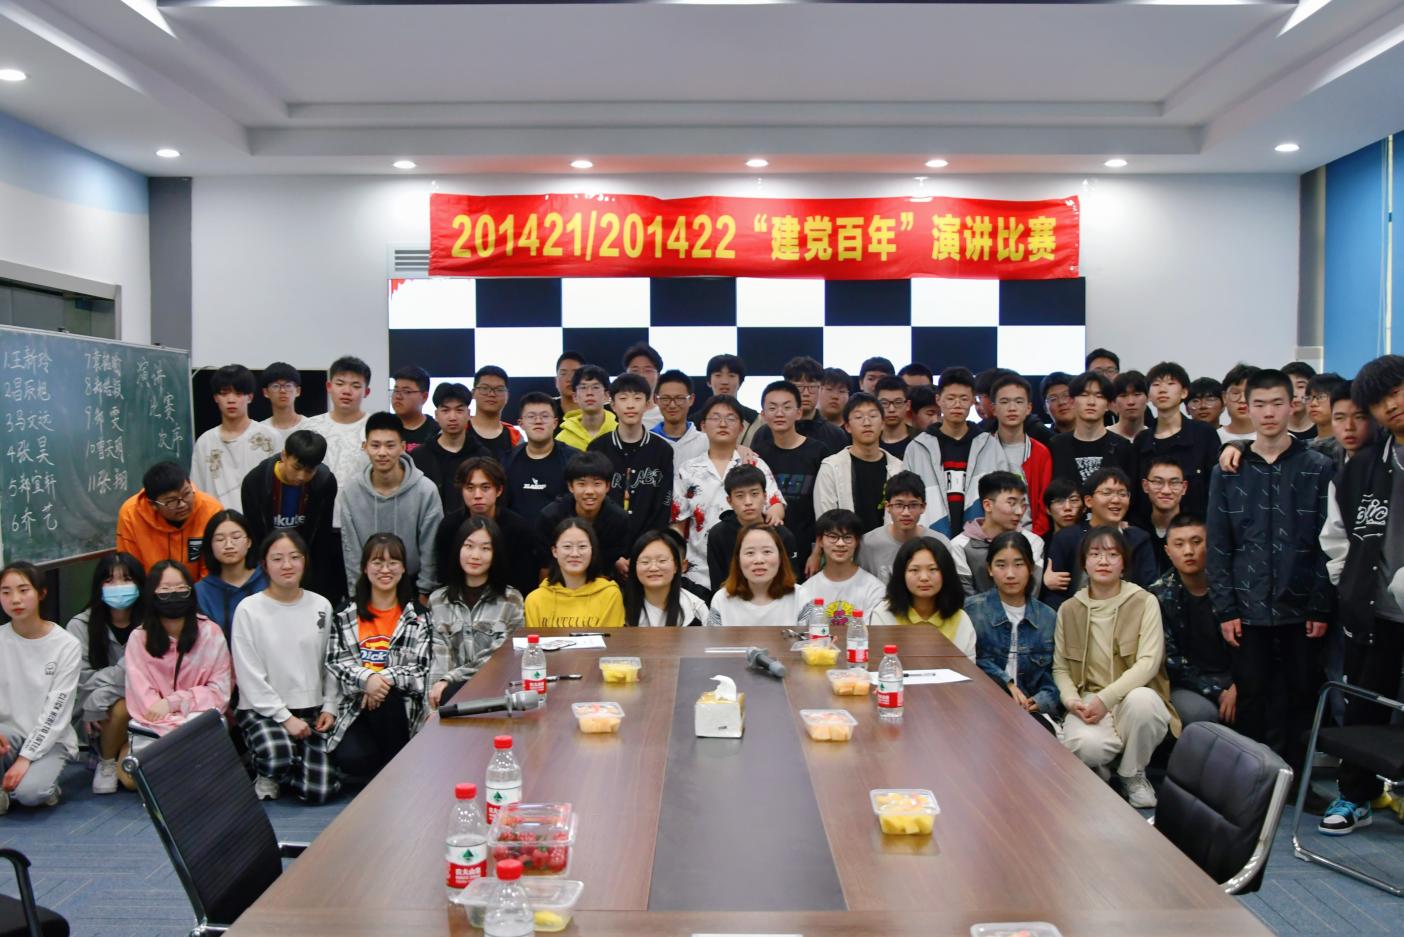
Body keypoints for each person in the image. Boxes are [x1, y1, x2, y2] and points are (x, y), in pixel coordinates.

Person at [1207, 368, 1333, 768]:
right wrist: (1225, 608)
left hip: (1302, 604)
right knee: (1252, 697)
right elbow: (1219, 543)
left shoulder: (1318, 465)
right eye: (1259, 404)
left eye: (1277, 403)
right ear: (1246, 407)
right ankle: (1252, 783)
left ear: (1293, 405)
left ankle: (1297, 782)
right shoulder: (1229, 469)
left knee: (1301, 695)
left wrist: (1320, 604)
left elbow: (1329, 540)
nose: (1268, 412)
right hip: (1248, 606)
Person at [1317, 355, 1404, 833]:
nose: (1392, 405)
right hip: (1375, 612)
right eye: (1379, 401)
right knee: (1364, 705)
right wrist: (1347, 586)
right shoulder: (1361, 468)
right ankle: (1355, 795)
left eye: (1397, 391)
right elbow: (1336, 536)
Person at [1053, 526, 1179, 808]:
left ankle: (1132, 774)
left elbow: (1149, 662)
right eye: (1095, 554)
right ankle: (1102, 769)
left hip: (1132, 695)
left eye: (1112, 554)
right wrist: (1071, 700)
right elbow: (1060, 668)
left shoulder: (1144, 601)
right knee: (1086, 746)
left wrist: (1106, 699)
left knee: (1144, 703)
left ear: (1124, 563)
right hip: (1088, 697)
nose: (1103, 561)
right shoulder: (1069, 609)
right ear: (1084, 562)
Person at [231, 530, 339, 803]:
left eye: (294, 557)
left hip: (311, 709)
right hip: (262, 709)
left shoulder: (322, 605)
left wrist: (329, 706)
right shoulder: (248, 609)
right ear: (264, 565)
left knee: (320, 792)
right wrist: (285, 718)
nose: (287, 565)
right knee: (277, 754)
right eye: (277, 559)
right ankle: (268, 768)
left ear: (305, 561)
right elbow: (249, 677)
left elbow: (331, 662)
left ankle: (291, 765)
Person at [324, 533, 432, 780]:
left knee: (387, 700)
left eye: (393, 562)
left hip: (402, 708)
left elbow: (421, 669)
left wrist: (380, 680)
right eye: (377, 562)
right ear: (365, 567)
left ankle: (395, 776)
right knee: (354, 759)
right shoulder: (345, 613)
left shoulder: (418, 615)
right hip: (355, 706)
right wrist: (367, 681)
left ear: (403, 568)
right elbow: (335, 662)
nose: (385, 569)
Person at [673, 395, 785, 590]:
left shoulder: (754, 463)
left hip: (751, 569)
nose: (723, 424)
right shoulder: (688, 470)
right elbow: (678, 523)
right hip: (698, 572)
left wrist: (775, 516)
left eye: (731, 418)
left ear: (741, 427)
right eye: (715, 418)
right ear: (703, 426)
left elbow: (775, 504)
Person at [0, 562, 81, 813]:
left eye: (23, 590)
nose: (15, 599)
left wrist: (26, 758)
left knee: (30, 794)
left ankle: (35, 784)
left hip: (51, 739)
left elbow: (56, 711)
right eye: (6, 592)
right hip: (8, 734)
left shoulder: (66, 644)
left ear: (41, 593)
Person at [338, 411, 442, 601]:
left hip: (413, 585)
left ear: (403, 447)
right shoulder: (351, 491)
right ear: (365, 447)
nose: (382, 453)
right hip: (367, 586)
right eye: (375, 445)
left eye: (390, 445)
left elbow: (431, 547)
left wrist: (425, 590)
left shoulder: (425, 490)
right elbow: (350, 548)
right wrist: (356, 593)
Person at [124, 561, 233, 735]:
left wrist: (172, 703)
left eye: (181, 588)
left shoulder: (211, 633)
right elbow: (144, 702)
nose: (174, 594)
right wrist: (175, 729)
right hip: (155, 732)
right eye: (164, 589)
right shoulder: (138, 639)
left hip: (203, 728)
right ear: (151, 594)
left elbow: (220, 693)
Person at [427, 516, 525, 708]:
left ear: (495, 554)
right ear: (458, 549)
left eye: (485, 548)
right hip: (448, 697)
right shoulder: (438, 600)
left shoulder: (511, 600)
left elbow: (500, 655)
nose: (475, 555)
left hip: (496, 694)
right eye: (469, 546)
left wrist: (450, 678)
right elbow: (439, 659)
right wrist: (433, 707)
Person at [66, 552, 144, 794]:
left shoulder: (152, 624)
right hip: (97, 717)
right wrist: (123, 677)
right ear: (98, 586)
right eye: (109, 580)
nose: (118, 587)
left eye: (126, 579)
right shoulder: (79, 625)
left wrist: (101, 692)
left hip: (147, 711)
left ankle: (122, 752)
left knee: (131, 782)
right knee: (122, 705)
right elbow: (81, 682)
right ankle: (106, 761)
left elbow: (153, 677)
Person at [1149, 515, 1236, 729]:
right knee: (1201, 714)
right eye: (1179, 544)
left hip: (1235, 677)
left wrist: (1239, 685)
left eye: (1196, 542)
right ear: (1168, 551)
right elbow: (1171, 661)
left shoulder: (1231, 587)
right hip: (1186, 684)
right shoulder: (1158, 596)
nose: (1189, 551)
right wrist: (1218, 692)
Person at [240, 429, 344, 605]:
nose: (301, 476)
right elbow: (255, 537)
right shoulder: (256, 482)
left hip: (306, 563)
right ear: (284, 455)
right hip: (267, 564)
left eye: (309, 471)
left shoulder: (325, 483)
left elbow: (321, 538)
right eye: (296, 468)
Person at [968, 531, 1061, 722]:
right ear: (990, 569)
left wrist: (1040, 701)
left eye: (1018, 565)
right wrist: (1006, 684)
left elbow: (1055, 674)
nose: (1010, 574)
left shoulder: (1048, 617)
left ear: (1030, 568)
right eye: (1001, 565)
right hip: (982, 708)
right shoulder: (972, 611)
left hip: (1032, 713)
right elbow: (968, 663)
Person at [1044, 468, 1158, 608]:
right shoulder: (1067, 538)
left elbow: (1149, 587)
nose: (1116, 500)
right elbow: (1054, 593)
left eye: (1122, 494)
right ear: (1088, 501)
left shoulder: (1139, 539)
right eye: (1107, 493)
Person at [589, 373, 675, 546]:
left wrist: (646, 546)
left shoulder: (662, 450)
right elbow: (592, 501)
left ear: (647, 404)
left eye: (637, 398)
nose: (630, 405)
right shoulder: (597, 448)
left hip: (649, 549)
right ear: (613, 405)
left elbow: (663, 504)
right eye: (623, 398)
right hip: (604, 546)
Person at [750, 379, 830, 559]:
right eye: (772, 408)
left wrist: (818, 550)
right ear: (763, 414)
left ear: (798, 412)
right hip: (767, 547)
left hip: (808, 547)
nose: (779, 413)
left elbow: (825, 504)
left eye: (787, 407)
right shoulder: (759, 454)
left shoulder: (818, 451)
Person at [965, 372, 1053, 535]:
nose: (1012, 408)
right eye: (1004, 402)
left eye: (1019, 402)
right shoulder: (980, 449)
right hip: (987, 538)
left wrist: (1033, 539)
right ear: (993, 408)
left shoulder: (1040, 452)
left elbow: (1044, 505)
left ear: (1028, 408)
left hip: (1030, 538)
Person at [904, 367, 989, 533]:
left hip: (980, 539)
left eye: (964, 398)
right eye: (950, 398)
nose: (957, 404)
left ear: (973, 401)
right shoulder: (917, 448)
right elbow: (905, 497)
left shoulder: (989, 445)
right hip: (929, 537)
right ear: (938, 399)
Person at [1133, 361, 1221, 522]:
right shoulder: (1142, 440)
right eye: (1156, 384)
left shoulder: (1203, 434)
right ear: (1149, 396)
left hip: (1196, 528)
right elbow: (1136, 493)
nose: (1162, 389)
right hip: (1150, 528)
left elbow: (1217, 488)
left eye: (1171, 383)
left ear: (1184, 392)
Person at [192, 364, 283, 511]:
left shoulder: (270, 437)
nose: (231, 400)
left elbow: (280, 486)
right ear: (216, 398)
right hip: (217, 521)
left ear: (250, 397)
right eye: (224, 393)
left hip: (260, 520)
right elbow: (197, 490)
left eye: (238, 393)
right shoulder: (205, 442)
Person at [116, 460, 223, 580]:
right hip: (150, 588)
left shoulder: (211, 509)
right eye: (171, 501)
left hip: (200, 588)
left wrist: (196, 591)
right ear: (152, 504)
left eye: (187, 494)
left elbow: (212, 567)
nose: (183, 504)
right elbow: (131, 568)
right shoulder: (130, 515)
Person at [869, 538, 976, 658]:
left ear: (946, 573)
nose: (924, 577)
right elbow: (880, 663)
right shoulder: (884, 614)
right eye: (914, 570)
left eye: (933, 569)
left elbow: (967, 667)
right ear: (901, 574)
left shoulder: (961, 619)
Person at [814, 393, 903, 535]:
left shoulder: (899, 468)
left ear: (882, 423)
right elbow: (826, 520)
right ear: (847, 426)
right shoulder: (831, 467)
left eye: (873, 416)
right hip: (843, 544)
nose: (867, 423)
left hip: (889, 546)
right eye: (858, 417)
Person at [707, 464, 801, 591]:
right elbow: (718, 584)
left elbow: (792, 582)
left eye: (754, 494)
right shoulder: (718, 535)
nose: (748, 502)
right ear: (729, 501)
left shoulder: (782, 535)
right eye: (740, 496)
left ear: (765, 496)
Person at [537, 451, 633, 577]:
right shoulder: (551, 516)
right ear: (571, 486)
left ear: (607, 486)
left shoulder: (618, 519)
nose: (589, 491)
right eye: (581, 484)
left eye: (597, 484)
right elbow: (545, 565)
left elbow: (607, 566)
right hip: (558, 577)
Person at [951, 472, 1045, 597]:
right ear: (988, 505)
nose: (1019, 512)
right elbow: (965, 596)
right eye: (1011, 503)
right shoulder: (959, 546)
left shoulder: (1033, 541)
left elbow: (1032, 592)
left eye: (1023, 505)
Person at [303, 355, 373, 519]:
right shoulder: (310, 427)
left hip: (363, 518)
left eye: (355, 386)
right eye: (340, 384)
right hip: (316, 518)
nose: (346, 391)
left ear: (366, 392)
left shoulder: (375, 429)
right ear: (329, 386)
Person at [525, 518, 625, 628]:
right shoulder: (535, 600)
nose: (575, 554)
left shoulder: (610, 595)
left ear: (592, 551)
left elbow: (611, 638)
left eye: (582, 546)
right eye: (567, 546)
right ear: (555, 551)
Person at [1046, 371, 1133, 487]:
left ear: (1108, 405)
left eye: (1099, 396)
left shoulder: (1123, 447)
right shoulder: (1056, 446)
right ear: (1072, 401)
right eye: (1084, 395)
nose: (1091, 402)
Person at [706, 525, 803, 627]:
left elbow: (812, 636)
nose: (759, 560)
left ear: (780, 558)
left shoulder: (799, 597)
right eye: (750, 553)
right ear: (738, 560)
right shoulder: (721, 600)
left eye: (767, 551)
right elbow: (713, 637)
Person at [411, 383, 488, 509]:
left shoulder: (482, 456)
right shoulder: (420, 455)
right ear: (436, 415)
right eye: (445, 410)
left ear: (469, 414)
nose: (452, 417)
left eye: (459, 410)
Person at [797, 509, 887, 616]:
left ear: (857, 541)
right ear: (820, 541)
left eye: (847, 537)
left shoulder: (875, 589)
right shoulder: (806, 590)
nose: (840, 543)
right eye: (833, 537)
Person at [194, 509, 267, 640]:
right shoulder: (201, 592)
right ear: (210, 545)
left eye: (236, 537)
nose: (228, 545)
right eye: (220, 539)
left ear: (249, 541)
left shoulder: (269, 579)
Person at [750, 357, 849, 454]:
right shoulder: (765, 433)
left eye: (812, 387)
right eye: (799, 387)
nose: (806, 393)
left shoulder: (835, 434)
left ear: (820, 388)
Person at [860, 471, 945, 582]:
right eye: (899, 505)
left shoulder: (940, 543)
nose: (906, 513)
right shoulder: (867, 544)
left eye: (913, 505)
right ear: (888, 506)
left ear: (923, 507)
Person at [503, 391, 571, 519]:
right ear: (521, 424)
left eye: (545, 416)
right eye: (531, 416)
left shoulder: (572, 459)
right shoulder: (508, 460)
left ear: (555, 423)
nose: (538, 421)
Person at [623, 529, 708, 627]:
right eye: (645, 562)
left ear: (676, 566)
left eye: (662, 560)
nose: (653, 568)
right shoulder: (622, 606)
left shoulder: (695, 608)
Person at [1136, 457, 1187, 574]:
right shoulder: (1135, 529)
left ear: (1184, 488)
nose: (1166, 491)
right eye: (1158, 482)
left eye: (1174, 483)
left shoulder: (1196, 530)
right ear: (1145, 486)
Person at [650, 370, 708, 465]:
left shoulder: (706, 443)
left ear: (691, 399)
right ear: (656, 399)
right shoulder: (647, 442)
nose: (672, 405)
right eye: (665, 398)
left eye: (679, 398)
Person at [701, 354, 761, 443]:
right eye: (718, 375)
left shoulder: (755, 420)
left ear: (740, 382)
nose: (724, 381)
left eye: (731, 376)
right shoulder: (695, 421)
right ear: (708, 382)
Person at [556, 365, 617, 451]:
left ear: (606, 395)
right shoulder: (562, 440)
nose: (589, 393)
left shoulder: (619, 434)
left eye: (595, 387)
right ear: (575, 396)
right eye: (583, 387)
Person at [469, 366, 522, 460]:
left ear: (507, 396)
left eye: (499, 390)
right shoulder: (459, 428)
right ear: (473, 393)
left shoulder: (515, 436)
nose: (491, 394)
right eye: (485, 388)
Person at [390, 365, 438, 451]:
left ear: (424, 397)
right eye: (396, 390)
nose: (398, 396)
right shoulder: (383, 427)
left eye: (406, 391)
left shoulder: (436, 431)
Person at [621, 340, 665, 426]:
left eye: (648, 370)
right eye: (635, 371)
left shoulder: (665, 417)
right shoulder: (614, 414)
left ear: (658, 376)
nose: (641, 376)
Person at [260, 361, 309, 434]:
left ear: (298, 391)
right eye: (276, 386)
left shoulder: (310, 427)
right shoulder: (260, 430)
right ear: (266, 392)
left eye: (288, 385)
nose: (282, 390)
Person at [1217, 363, 1257, 443]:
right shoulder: (1213, 438)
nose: (1243, 400)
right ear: (1224, 397)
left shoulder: (1277, 438)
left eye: (1249, 393)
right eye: (1235, 393)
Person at [875, 376, 913, 459]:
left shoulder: (920, 441)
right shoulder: (870, 441)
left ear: (908, 405)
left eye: (898, 402)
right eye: (884, 403)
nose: (891, 409)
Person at [1304, 371, 1345, 445]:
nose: (1313, 403)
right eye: (1309, 398)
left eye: (1321, 397)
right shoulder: (1302, 447)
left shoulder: (1348, 446)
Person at [1282, 360, 1319, 440]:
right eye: (1288, 387)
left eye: (1301, 386)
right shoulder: (1275, 429)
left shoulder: (1323, 426)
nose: (1294, 394)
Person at [1109, 370, 1150, 441]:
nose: (1131, 402)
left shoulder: (1154, 439)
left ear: (1148, 397)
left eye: (1137, 394)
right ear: (1114, 401)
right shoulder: (1103, 438)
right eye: (1123, 395)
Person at [553, 350, 585, 418]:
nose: (570, 379)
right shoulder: (546, 410)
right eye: (563, 374)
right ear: (556, 381)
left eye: (575, 374)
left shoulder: (598, 411)